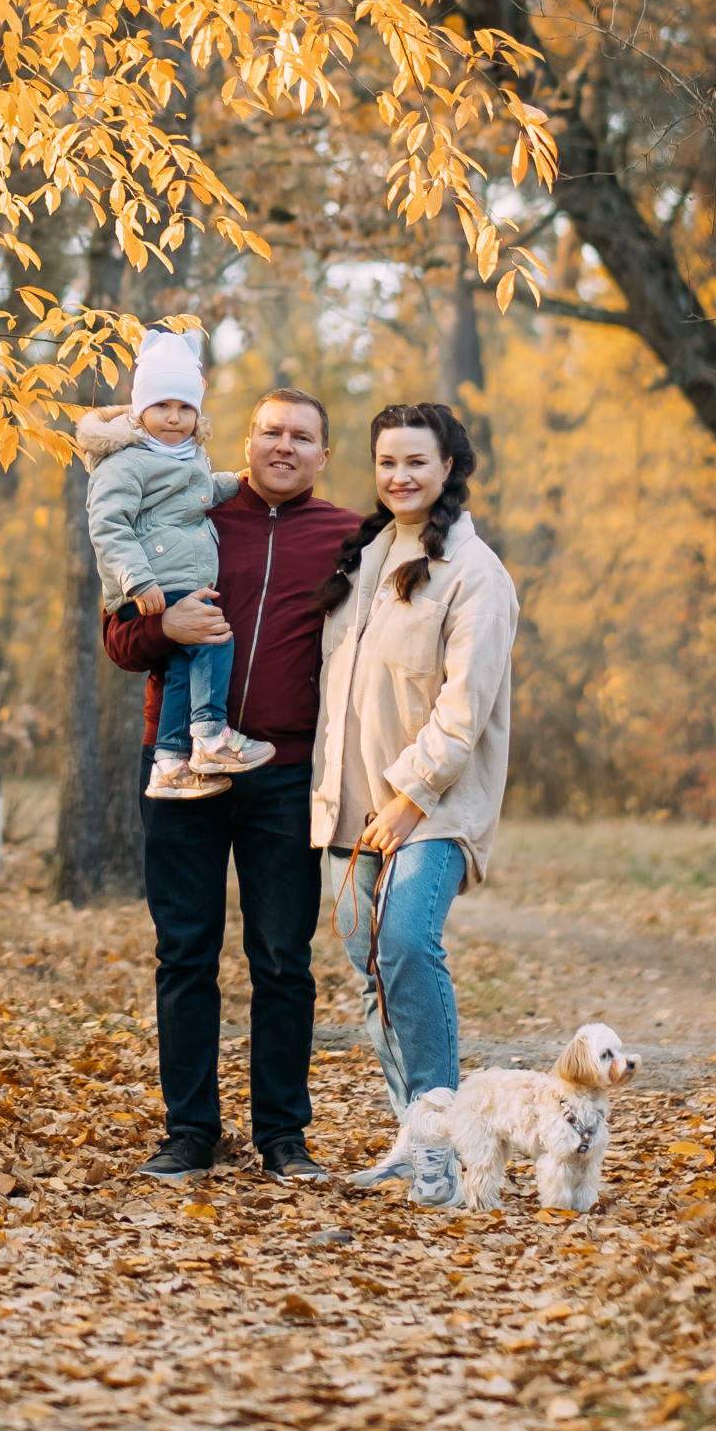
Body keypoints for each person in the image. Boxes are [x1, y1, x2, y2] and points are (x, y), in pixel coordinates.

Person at [103, 388, 362, 1183]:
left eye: (302, 437)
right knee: (185, 953)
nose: (284, 446)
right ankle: (190, 1133)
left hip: (283, 774)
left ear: (324, 455)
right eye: (270, 431)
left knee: (283, 959)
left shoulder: (350, 538)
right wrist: (162, 627)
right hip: (179, 768)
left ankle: (284, 1137)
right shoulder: (191, 510)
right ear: (245, 443)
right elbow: (119, 637)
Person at [311, 401, 517, 1126]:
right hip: (351, 807)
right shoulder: (363, 558)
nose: (400, 475)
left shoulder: (475, 573)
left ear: (448, 467)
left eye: (416, 461)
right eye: (387, 462)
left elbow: (463, 710)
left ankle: (443, 1133)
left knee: (403, 943)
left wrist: (410, 798)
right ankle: (419, 1136)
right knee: (372, 971)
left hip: (433, 808)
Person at [77, 330, 272, 798]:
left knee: (183, 665)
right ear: (139, 407)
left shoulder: (187, 455)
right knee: (213, 637)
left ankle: (168, 763)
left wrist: (234, 483)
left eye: (185, 407)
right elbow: (108, 525)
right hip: (150, 581)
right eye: (162, 405)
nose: (173, 417)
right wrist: (137, 579)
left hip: (171, 578)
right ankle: (210, 736)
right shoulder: (126, 461)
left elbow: (194, 493)